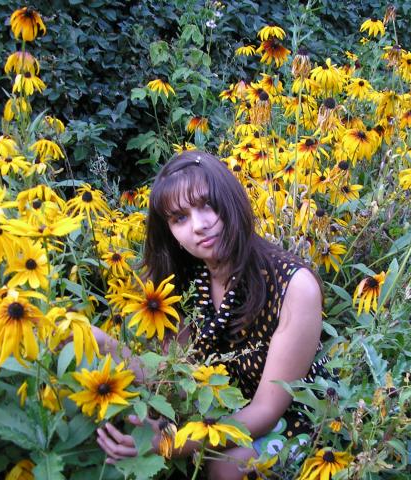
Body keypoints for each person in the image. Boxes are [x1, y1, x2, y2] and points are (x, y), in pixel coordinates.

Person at [92, 150, 324, 479]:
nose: (199, 226)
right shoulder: (182, 283)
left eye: (207, 205)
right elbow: (177, 380)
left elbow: (266, 411)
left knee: (226, 468)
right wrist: (102, 344)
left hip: (294, 416)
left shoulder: (293, 286)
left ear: (231, 200)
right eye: (179, 218)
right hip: (216, 408)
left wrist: (168, 444)